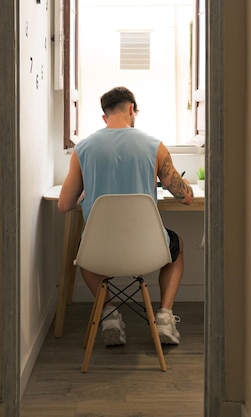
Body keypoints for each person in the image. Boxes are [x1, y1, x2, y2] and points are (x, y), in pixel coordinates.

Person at [58, 86, 194, 346]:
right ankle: (164, 317)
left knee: (82, 251)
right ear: (132, 109)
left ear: (104, 117)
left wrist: (89, 191)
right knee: (177, 246)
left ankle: (109, 314)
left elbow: (64, 205)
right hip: (147, 251)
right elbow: (185, 197)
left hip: (100, 253)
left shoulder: (82, 149)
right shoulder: (155, 146)